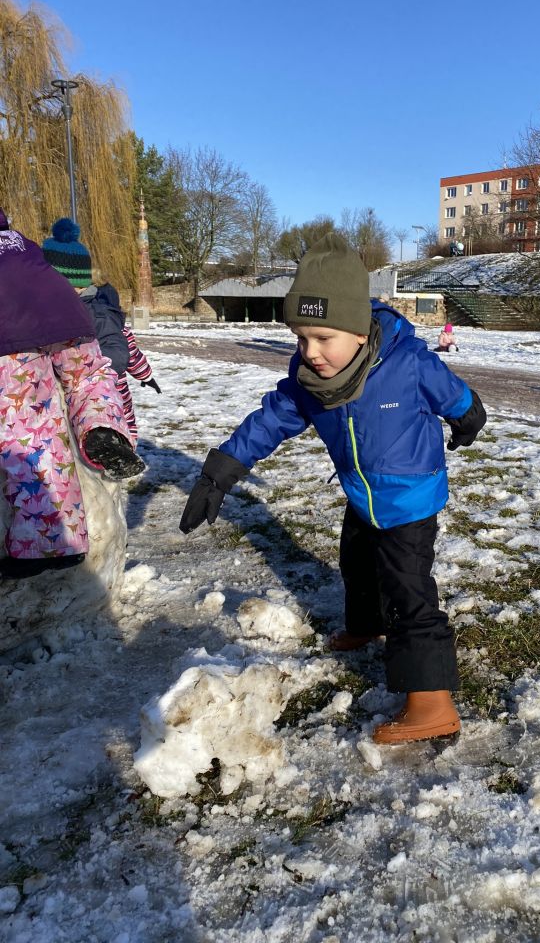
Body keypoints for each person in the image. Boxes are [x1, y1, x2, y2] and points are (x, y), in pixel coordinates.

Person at [180, 234, 486, 744]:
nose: (311, 353)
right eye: (301, 338)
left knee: (408, 589)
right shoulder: (307, 381)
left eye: (324, 338)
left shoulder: (407, 363)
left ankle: (432, 700)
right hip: (362, 493)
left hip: (409, 496)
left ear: (359, 331)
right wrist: (222, 468)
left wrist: (467, 415)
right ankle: (365, 624)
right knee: (357, 562)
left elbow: (451, 393)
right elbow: (271, 420)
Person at [0, 209, 144, 579]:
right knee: (35, 425)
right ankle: (100, 432)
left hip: (13, 348)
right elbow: (91, 368)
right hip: (54, 337)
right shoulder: (26, 253)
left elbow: (122, 349)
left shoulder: (102, 309)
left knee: (19, 424)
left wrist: (136, 370)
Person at [43, 219, 161, 445]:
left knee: (110, 433)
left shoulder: (98, 314)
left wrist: (145, 375)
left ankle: (116, 450)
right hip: (68, 400)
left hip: (107, 396)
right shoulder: (46, 315)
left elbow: (125, 351)